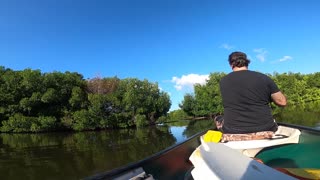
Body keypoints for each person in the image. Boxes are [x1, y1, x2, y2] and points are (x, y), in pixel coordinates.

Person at [215, 51, 287, 141]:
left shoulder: (223, 81)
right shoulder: (264, 78)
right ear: (247, 62)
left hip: (233, 131)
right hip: (266, 128)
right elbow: (282, 102)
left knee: (218, 118)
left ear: (231, 64)